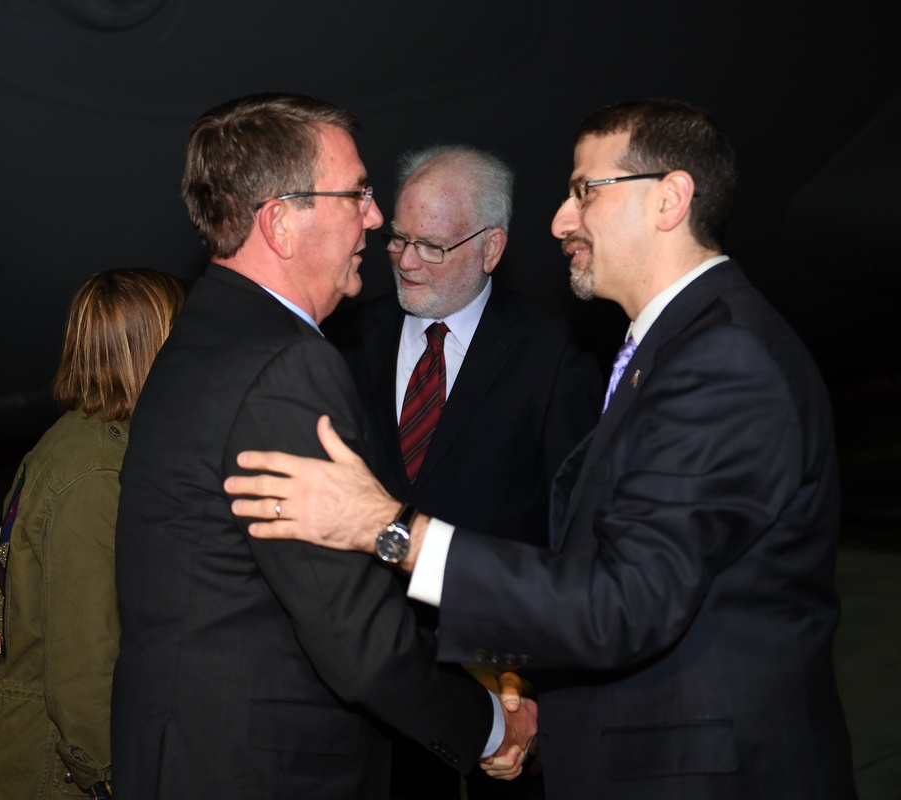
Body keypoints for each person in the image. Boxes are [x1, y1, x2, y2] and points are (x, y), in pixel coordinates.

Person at [226, 99, 858, 799]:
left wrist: (391, 529)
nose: (561, 220)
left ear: (670, 200)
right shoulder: (680, 348)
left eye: (585, 191)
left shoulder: (724, 358)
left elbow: (625, 601)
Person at [110, 93, 536, 800]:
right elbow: (359, 643)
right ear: (279, 222)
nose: (374, 216)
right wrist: (493, 727)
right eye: (356, 195)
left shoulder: (200, 337)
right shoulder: (287, 368)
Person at [322, 144, 601, 800]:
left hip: (502, 686)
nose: (408, 260)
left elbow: (574, 537)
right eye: (398, 239)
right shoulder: (346, 340)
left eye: (433, 246)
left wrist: (526, 686)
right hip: (375, 689)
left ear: (491, 248)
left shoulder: (554, 355)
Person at [0, 268, 188, 800]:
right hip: (46, 772)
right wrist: (109, 777)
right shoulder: (98, 473)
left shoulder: (74, 441)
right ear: (153, 350)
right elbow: (84, 665)